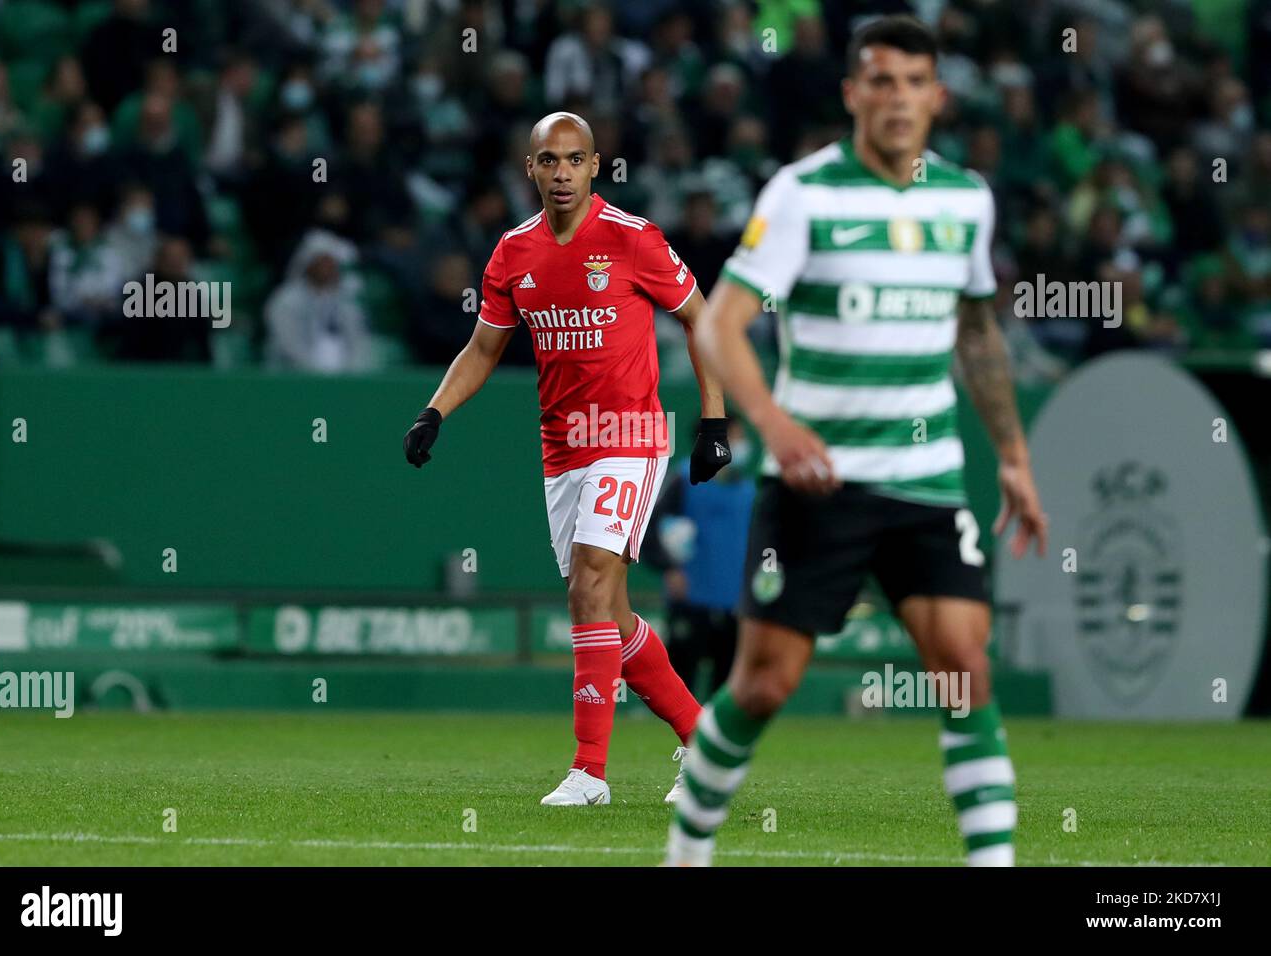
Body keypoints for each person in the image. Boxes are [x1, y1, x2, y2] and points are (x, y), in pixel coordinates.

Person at [665, 15, 1049, 867]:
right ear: (852, 94)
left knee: (963, 669)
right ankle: (687, 849)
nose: (898, 98)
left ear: (938, 97)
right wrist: (770, 420)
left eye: (915, 82)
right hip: (819, 483)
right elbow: (722, 326)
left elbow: (977, 334)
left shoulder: (965, 199)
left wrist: (1014, 459)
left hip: (927, 482)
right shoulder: (802, 195)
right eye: (880, 80)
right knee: (764, 684)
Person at [404, 111, 730, 806]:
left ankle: (590, 772)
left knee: (587, 583)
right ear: (531, 169)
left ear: (594, 166)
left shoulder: (633, 238)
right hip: (562, 450)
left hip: (630, 435)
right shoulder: (513, 253)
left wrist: (713, 418)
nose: (561, 173)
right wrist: (436, 411)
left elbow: (701, 316)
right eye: (548, 161)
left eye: (574, 160)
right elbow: (483, 348)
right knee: (607, 614)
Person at [643, 414, 755, 699]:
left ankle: (714, 741)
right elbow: (647, 529)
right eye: (737, 438)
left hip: (735, 603)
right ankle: (677, 736)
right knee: (680, 681)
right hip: (691, 598)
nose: (743, 445)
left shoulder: (749, 491)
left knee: (728, 685)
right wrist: (669, 568)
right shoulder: (682, 480)